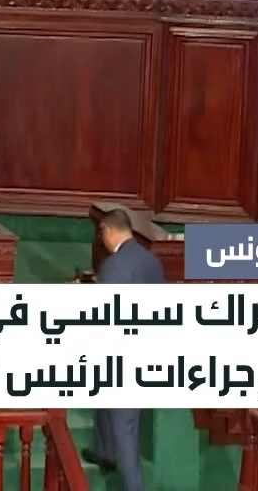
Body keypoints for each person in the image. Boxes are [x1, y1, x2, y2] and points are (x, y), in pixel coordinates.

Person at [85, 208, 165, 491]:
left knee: (125, 427)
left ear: (107, 231)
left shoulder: (114, 265)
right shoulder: (151, 261)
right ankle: (105, 453)